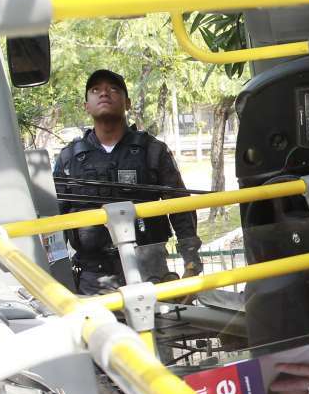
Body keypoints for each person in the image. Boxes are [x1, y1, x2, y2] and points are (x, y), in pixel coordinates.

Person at [54, 69, 203, 294]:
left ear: (128, 103)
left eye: (113, 89)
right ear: (86, 106)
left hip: (150, 269)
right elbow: (55, 219)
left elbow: (180, 207)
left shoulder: (153, 151)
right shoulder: (68, 158)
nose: (104, 94)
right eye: (95, 90)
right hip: (93, 276)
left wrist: (191, 263)